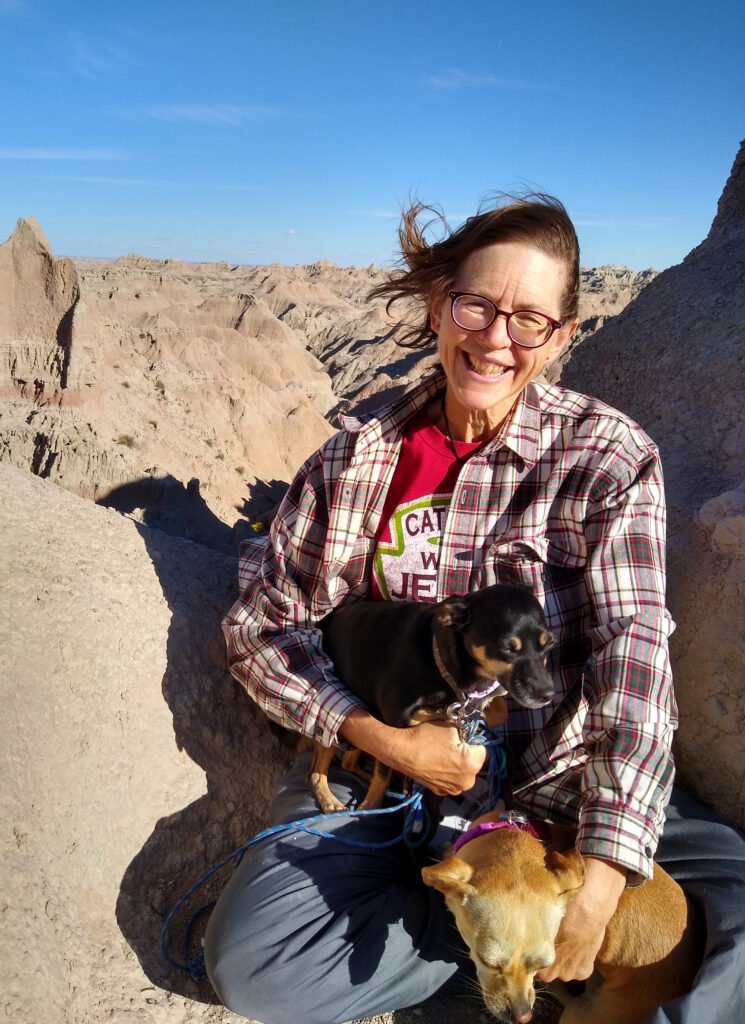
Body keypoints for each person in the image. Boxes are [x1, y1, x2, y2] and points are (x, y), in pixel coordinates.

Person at [204, 194, 745, 1024]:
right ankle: (492, 931)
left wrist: (600, 879)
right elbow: (264, 627)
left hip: (566, 786)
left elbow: (632, 653)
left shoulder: (606, 457)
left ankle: (519, 936)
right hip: (401, 793)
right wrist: (378, 735)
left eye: (528, 319)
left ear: (562, 336)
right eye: (477, 306)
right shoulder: (356, 460)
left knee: (736, 918)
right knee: (257, 966)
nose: (495, 339)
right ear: (438, 307)